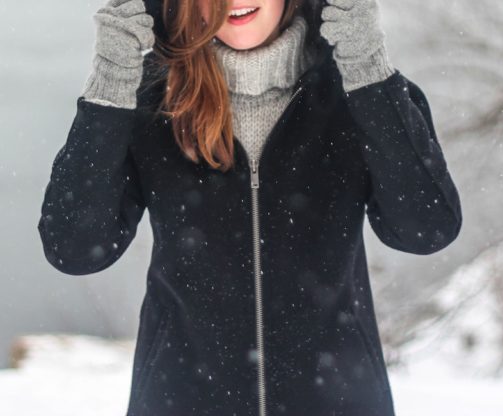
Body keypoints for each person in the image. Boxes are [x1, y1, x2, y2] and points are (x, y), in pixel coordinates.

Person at [36, 0, 463, 414]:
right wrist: (111, 82)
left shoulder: (359, 91)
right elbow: (74, 248)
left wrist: (367, 65)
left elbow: (426, 229)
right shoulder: (152, 100)